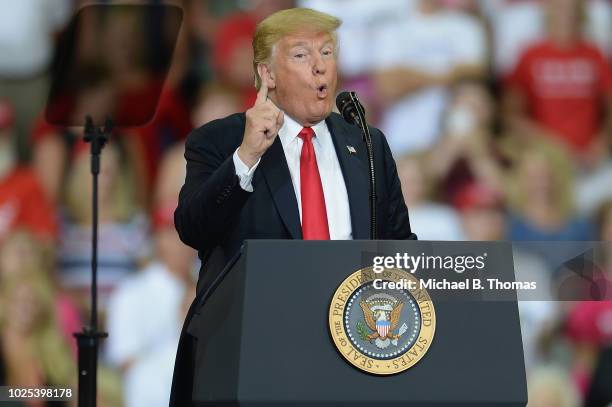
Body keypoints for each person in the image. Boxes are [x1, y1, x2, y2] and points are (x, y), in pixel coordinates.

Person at [171, 8, 415, 405]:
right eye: (301, 55)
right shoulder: (220, 141)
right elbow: (192, 229)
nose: (320, 67)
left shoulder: (368, 146)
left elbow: (401, 247)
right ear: (267, 74)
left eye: (327, 52)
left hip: (352, 352)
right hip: (255, 354)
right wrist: (247, 156)